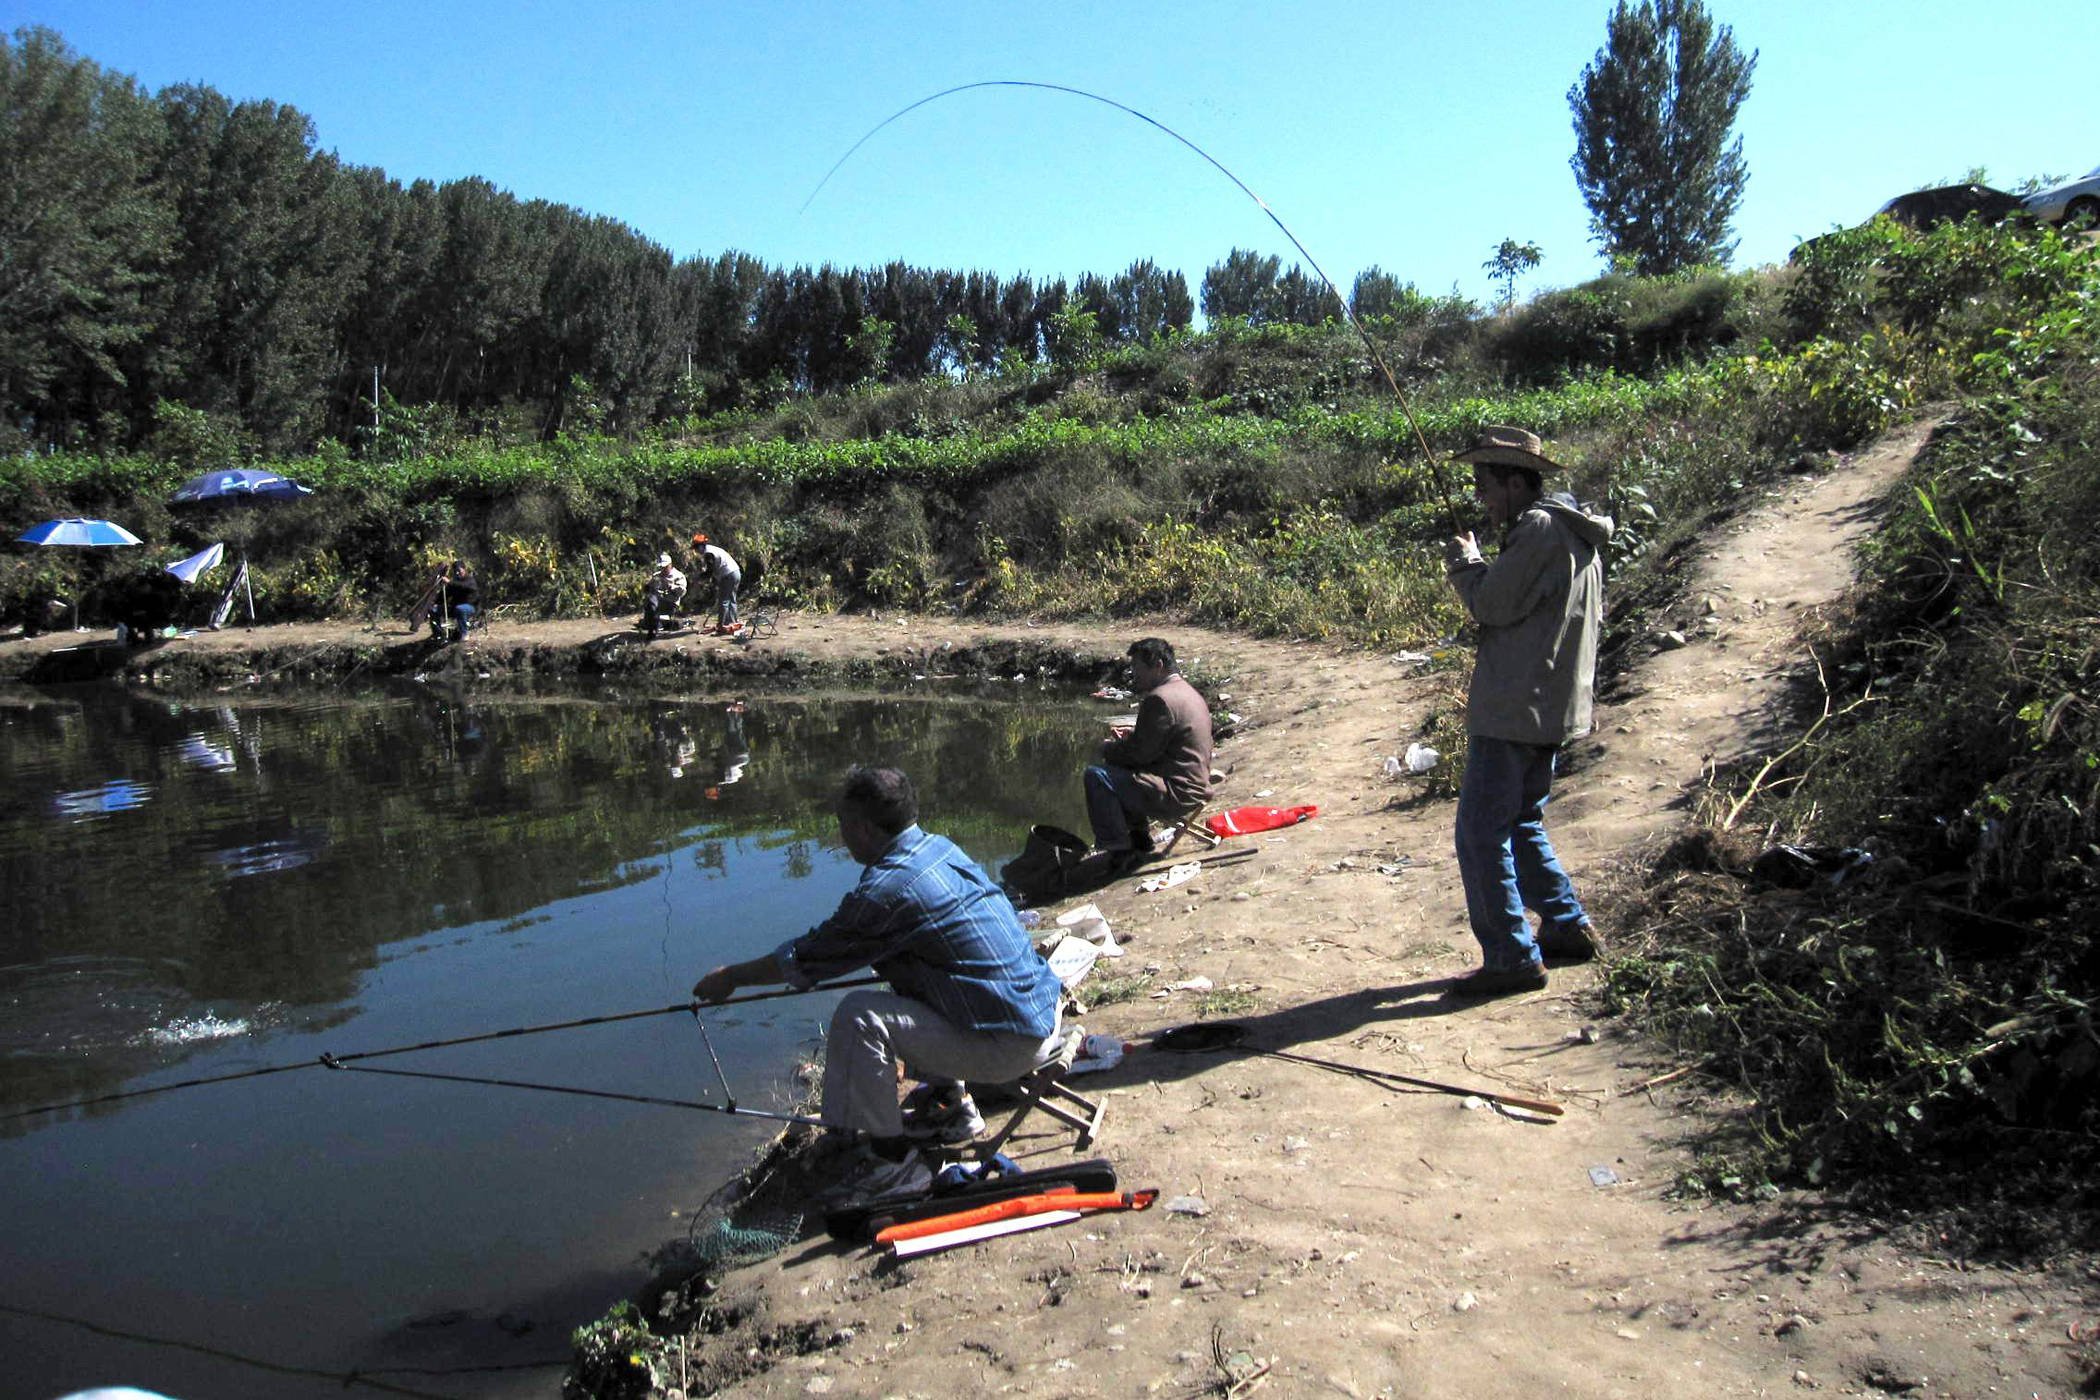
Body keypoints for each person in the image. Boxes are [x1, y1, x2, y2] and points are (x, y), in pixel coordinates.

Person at [691, 766, 1064, 1189]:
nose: (840, 835)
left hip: (1012, 1044)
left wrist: (731, 977)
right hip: (1044, 1012)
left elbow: (807, 959)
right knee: (904, 968)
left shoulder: (887, 891)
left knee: (859, 1015)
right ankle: (951, 1106)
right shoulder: (939, 848)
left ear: (864, 829)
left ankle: (889, 1164)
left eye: (843, 825)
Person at [1442, 426, 1614, 997]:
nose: (1481, 498)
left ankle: (1512, 958)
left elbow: (1492, 605)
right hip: (1551, 707)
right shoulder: (1569, 531)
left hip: (1516, 708)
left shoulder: (1540, 529)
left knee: (1479, 835)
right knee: (1520, 822)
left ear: (1516, 481)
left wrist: (1467, 564)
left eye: (1485, 484)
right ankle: (1566, 925)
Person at [1083, 637, 1214, 872]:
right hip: (1194, 783)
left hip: (1178, 793)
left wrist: (1107, 748)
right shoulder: (1186, 692)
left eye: (1138, 669)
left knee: (1097, 776)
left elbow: (1139, 755)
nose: (1135, 675)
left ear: (1158, 666)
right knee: (1120, 771)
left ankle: (1120, 849)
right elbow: (1164, 740)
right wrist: (1133, 736)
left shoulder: (1159, 699)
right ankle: (1139, 839)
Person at [690, 533, 742, 633]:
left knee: (724, 600)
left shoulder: (709, 553)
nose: (696, 551)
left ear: (701, 546)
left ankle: (722, 625)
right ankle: (732, 623)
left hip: (728, 575)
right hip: (736, 572)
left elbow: (710, 572)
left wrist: (698, 578)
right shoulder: (712, 549)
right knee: (732, 599)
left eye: (696, 548)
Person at [428, 560, 479, 643]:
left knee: (460, 609)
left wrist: (450, 582)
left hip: (470, 607)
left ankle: (464, 634)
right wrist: (435, 603)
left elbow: (463, 587)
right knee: (433, 610)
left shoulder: (470, 580)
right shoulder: (454, 582)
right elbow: (444, 595)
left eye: (459, 571)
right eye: (455, 572)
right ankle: (438, 634)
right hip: (454, 608)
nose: (457, 573)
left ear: (464, 570)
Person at [641, 553, 687, 637]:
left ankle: (655, 625)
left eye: (665, 567)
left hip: (671, 603)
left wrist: (671, 586)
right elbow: (648, 590)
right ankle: (653, 626)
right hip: (656, 603)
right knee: (650, 600)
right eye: (661, 567)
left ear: (670, 565)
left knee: (653, 603)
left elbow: (682, 593)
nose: (663, 569)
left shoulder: (678, 576)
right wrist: (647, 587)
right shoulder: (656, 576)